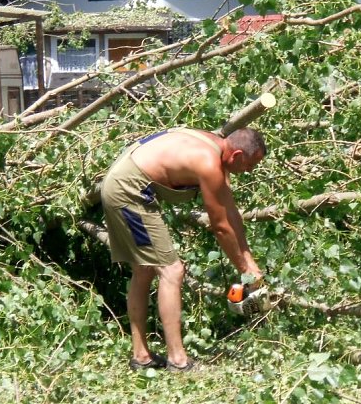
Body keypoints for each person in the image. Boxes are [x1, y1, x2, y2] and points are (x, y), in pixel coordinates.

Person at [101, 126, 266, 372]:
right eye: (250, 165)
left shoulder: (216, 147)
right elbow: (220, 226)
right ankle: (178, 360)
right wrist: (244, 271)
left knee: (144, 269)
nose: (249, 171)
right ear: (238, 155)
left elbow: (231, 214)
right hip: (128, 191)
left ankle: (141, 356)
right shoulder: (209, 163)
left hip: (122, 182)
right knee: (172, 270)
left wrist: (250, 263)